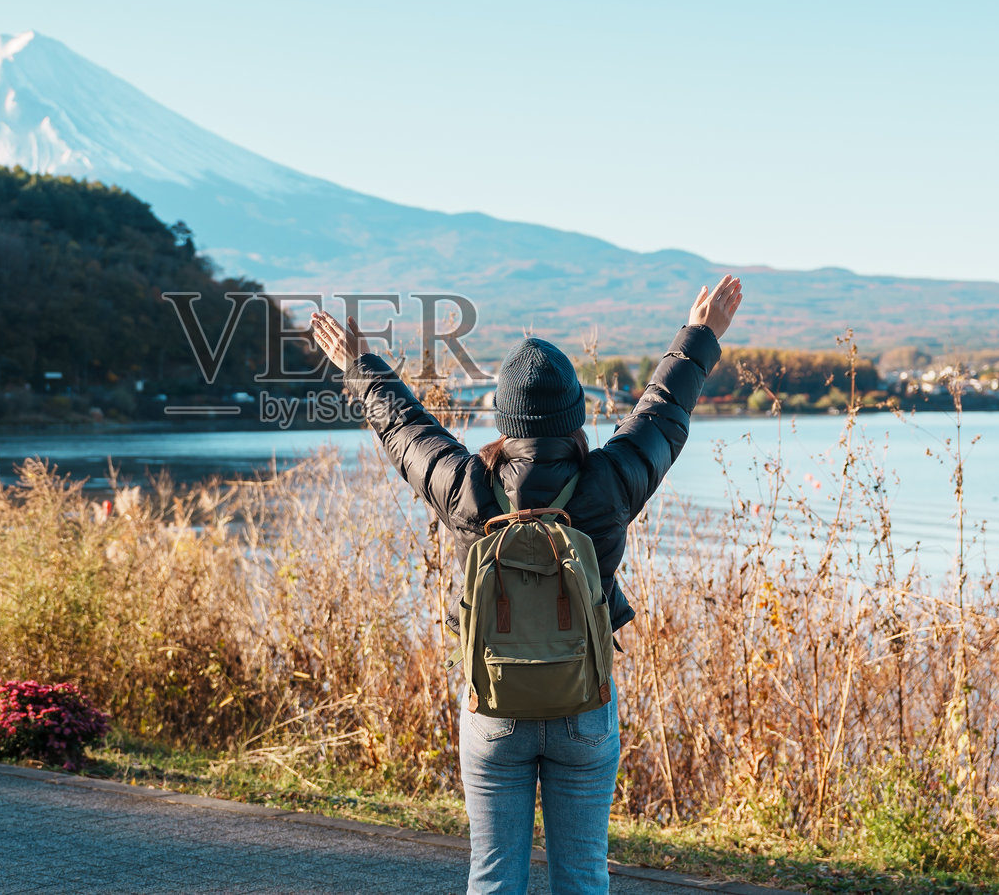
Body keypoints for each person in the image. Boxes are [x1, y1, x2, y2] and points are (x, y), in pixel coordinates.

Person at [309, 274, 742, 895]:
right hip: (583, 707)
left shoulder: (466, 486)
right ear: (575, 415)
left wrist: (358, 364)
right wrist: (699, 335)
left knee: (492, 877)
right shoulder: (610, 481)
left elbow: (405, 430)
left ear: (504, 418)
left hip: (494, 705)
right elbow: (663, 413)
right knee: (583, 876)